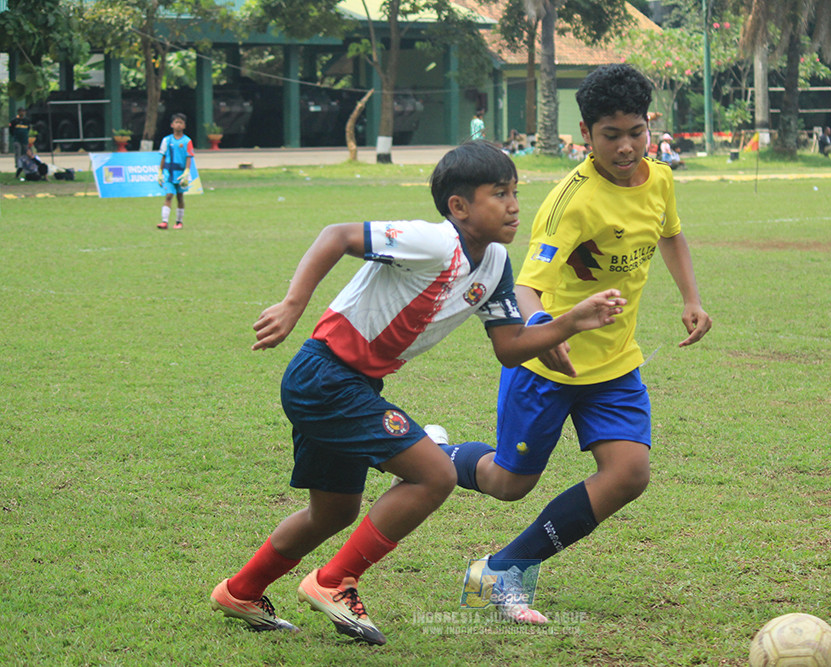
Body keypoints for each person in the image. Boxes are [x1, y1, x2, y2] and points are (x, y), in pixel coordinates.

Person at [208, 140, 626, 645]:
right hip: (325, 378)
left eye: (516, 191)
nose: (515, 204)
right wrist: (294, 303)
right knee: (435, 475)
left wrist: (569, 323)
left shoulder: (494, 264)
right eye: (499, 193)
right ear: (459, 207)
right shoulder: (433, 241)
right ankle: (333, 581)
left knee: (335, 511)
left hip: (348, 385)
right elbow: (336, 235)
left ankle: (241, 591)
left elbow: (511, 348)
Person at [436, 64, 712, 624]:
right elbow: (528, 285)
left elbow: (671, 233)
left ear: (648, 125)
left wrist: (691, 297)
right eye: (611, 135)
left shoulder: (659, 179)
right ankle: (433, 456)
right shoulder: (571, 200)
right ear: (585, 134)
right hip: (548, 365)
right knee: (508, 483)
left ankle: (503, 568)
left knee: (630, 474)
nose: (627, 146)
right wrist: (541, 335)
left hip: (614, 365)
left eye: (636, 131)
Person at [156, 113, 194, 230]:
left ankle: (179, 221)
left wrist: (186, 171)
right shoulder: (166, 140)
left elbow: (189, 157)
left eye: (181, 123)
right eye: (176, 122)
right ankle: (164, 221)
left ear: (184, 126)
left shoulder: (187, 141)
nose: (178, 125)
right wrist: (160, 172)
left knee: (180, 197)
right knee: (168, 196)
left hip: (180, 174)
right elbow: (163, 156)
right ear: (172, 125)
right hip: (168, 173)